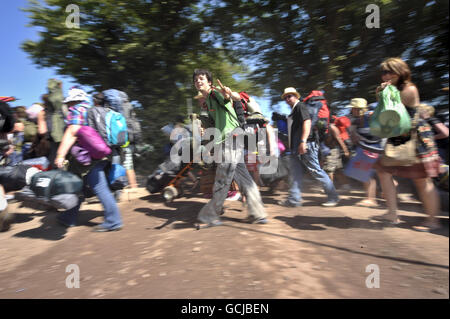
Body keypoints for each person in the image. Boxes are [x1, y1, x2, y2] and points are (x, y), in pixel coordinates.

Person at [372, 57, 441, 232]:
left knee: (421, 180)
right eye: (383, 72)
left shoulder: (409, 89)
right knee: (383, 171)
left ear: (400, 72)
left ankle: (433, 221)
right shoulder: (393, 89)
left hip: (415, 137)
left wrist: (382, 94)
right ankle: (392, 214)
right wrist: (382, 94)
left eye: (389, 71)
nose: (385, 75)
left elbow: (390, 111)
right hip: (398, 136)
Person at [193, 69, 267, 226]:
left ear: (209, 82)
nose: (198, 81)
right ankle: (258, 214)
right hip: (231, 139)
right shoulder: (207, 103)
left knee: (222, 178)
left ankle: (210, 215)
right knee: (244, 179)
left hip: (230, 139)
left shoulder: (215, 94)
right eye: (196, 80)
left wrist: (227, 95)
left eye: (201, 78)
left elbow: (226, 99)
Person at [54, 87, 123, 232]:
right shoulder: (92, 109)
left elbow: (72, 131)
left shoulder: (76, 110)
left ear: (72, 101)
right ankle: (68, 217)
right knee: (79, 186)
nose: (67, 105)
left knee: (98, 187)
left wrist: (60, 154)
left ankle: (113, 220)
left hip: (87, 158)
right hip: (101, 154)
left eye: (68, 102)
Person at [278, 87, 339, 207]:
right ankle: (294, 200)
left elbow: (307, 122)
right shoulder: (294, 111)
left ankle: (333, 196)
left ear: (296, 96)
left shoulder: (300, 106)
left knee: (316, 171)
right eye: (285, 97)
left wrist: (303, 141)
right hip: (296, 146)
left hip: (306, 144)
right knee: (295, 173)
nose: (287, 99)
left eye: (290, 96)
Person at [347, 98, 379, 207]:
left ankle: (371, 199)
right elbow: (354, 138)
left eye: (353, 108)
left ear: (358, 109)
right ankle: (372, 197)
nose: (352, 110)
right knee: (370, 174)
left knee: (366, 174)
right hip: (368, 149)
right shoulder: (356, 121)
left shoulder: (371, 116)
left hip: (374, 149)